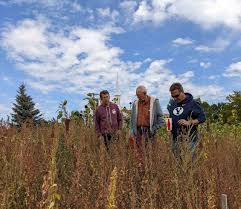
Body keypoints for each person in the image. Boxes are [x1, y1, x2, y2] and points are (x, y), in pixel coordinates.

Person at [167, 82, 206, 156]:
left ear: (182, 92)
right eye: (173, 96)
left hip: (189, 140)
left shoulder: (192, 103)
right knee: (177, 162)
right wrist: (169, 129)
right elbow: (169, 118)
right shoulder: (172, 104)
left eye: (176, 95)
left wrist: (189, 122)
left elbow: (202, 117)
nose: (175, 98)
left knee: (189, 162)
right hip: (175, 140)